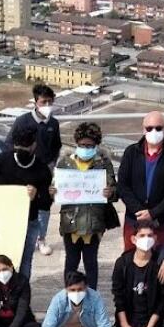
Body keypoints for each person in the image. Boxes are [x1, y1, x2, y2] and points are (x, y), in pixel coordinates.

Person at [51, 121, 117, 290]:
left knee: (91, 261)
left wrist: (110, 192)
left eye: (89, 146)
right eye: (82, 145)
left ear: (96, 145)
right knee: (71, 261)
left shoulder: (103, 163)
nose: (85, 148)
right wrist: (53, 191)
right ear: (76, 144)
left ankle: (92, 295)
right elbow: (55, 188)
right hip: (70, 221)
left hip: (94, 222)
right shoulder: (65, 163)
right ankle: (69, 293)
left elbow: (115, 190)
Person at [116, 110, 164, 252]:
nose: (154, 131)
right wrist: (139, 211)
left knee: (159, 257)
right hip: (134, 219)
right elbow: (123, 185)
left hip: (161, 221)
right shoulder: (131, 152)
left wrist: (153, 213)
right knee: (130, 257)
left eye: (158, 128)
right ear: (143, 130)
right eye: (149, 128)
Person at [6, 83, 61, 258]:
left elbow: (56, 146)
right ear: (36, 102)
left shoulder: (54, 123)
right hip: (24, 171)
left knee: (44, 207)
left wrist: (51, 165)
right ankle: (20, 237)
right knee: (23, 205)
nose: (47, 105)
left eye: (50, 102)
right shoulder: (22, 121)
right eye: (43, 102)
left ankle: (41, 238)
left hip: (44, 173)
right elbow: (9, 144)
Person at [0, 125, 53, 280]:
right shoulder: (2, 161)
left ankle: (23, 291)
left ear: (34, 145)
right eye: (19, 146)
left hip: (29, 221)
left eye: (26, 146)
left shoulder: (42, 168)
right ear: (14, 145)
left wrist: (37, 195)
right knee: (1, 260)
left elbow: (46, 204)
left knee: (26, 260)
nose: (22, 149)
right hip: (3, 220)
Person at [112, 220, 164, 327]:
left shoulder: (161, 265)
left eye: (150, 235)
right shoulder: (122, 263)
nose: (146, 239)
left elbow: (161, 301)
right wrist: (125, 326)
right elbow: (118, 299)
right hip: (129, 319)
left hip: (150, 321)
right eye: (142, 235)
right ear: (134, 239)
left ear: (155, 238)